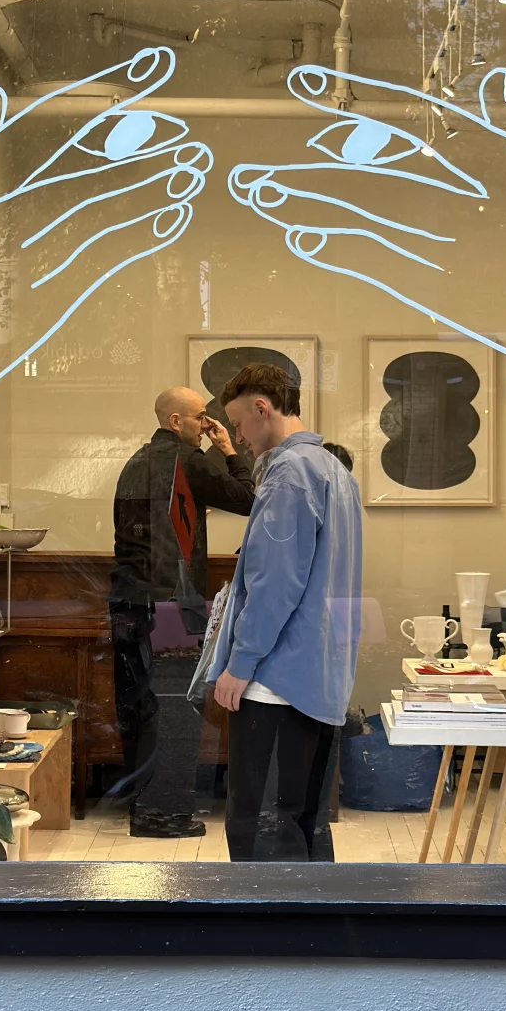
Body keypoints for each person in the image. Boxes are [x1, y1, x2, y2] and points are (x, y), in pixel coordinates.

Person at [208, 363, 362, 861]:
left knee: (264, 831)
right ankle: (309, 913)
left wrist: (240, 663)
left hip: (276, 680)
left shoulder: (290, 474)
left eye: (238, 423)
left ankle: (269, 917)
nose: (237, 436)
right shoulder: (334, 471)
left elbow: (274, 584)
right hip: (319, 675)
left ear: (262, 408)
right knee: (303, 824)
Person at [111, 385, 254, 837]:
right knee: (173, 710)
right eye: (200, 417)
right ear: (176, 421)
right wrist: (228, 450)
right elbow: (248, 498)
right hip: (171, 605)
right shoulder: (187, 461)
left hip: (128, 601)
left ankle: (142, 807)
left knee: (137, 708)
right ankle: (165, 814)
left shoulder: (136, 461)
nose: (207, 425)